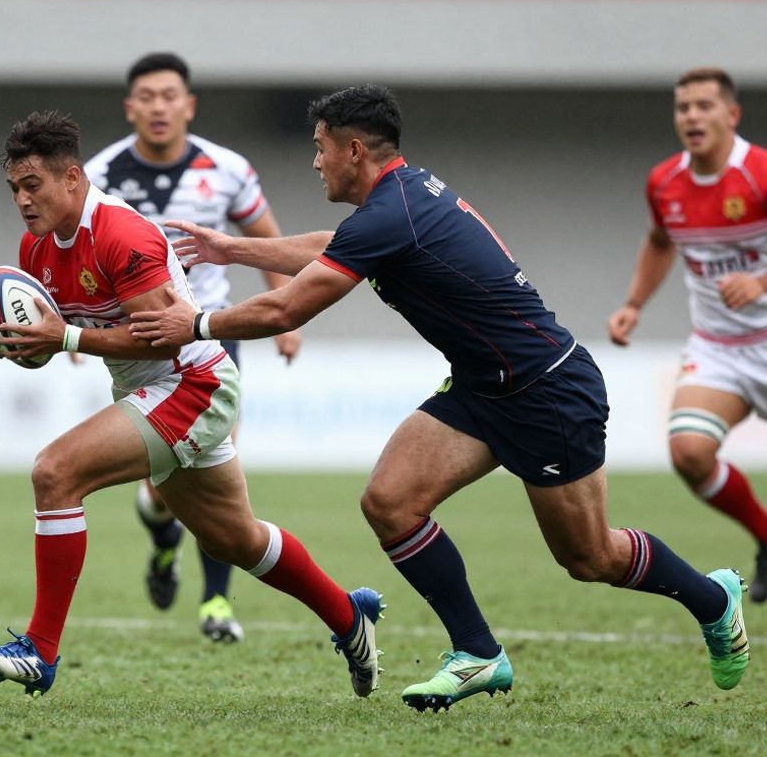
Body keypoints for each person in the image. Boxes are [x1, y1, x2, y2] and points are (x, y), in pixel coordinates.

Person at [129, 85, 751, 711]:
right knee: (390, 502)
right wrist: (230, 247)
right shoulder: (396, 199)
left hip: (547, 390)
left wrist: (198, 324)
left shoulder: (389, 213)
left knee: (590, 557)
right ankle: (478, 652)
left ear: (352, 149)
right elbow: (332, 247)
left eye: (320, 149)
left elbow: (288, 307)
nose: (315, 162)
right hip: (483, 387)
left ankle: (710, 599)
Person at [0, 110, 382, 699]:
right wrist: (9, 343)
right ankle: (347, 616)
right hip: (147, 392)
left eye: (33, 185)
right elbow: (54, 337)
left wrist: (66, 338)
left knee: (54, 473)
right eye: (14, 189)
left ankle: (39, 650)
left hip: (193, 383)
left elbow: (168, 333)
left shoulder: (121, 233)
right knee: (236, 540)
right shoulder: (35, 250)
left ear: (73, 178)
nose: (23, 200)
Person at [84, 52, 302, 643]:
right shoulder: (99, 173)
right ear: (131, 107)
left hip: (211, 336)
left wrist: (286, 316)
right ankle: (161, 542)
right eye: (147, 96)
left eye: (169, 95)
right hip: (137, 343)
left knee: (218, 466)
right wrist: (72, 324)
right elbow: (73, 253)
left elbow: (267, 239)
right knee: (160, 492)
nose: (159, 106)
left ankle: (215, 602)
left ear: (189, 104)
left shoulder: (227, 169)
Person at [607, 67, 767, 604]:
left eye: (703, 105)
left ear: (731, 114)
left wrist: (761, 279)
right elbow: (659, 242)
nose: (692, 117)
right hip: (718, 349)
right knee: (689, 452)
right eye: (683, 108)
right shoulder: (665, 182)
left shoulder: (759, 173)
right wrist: (633, 304)